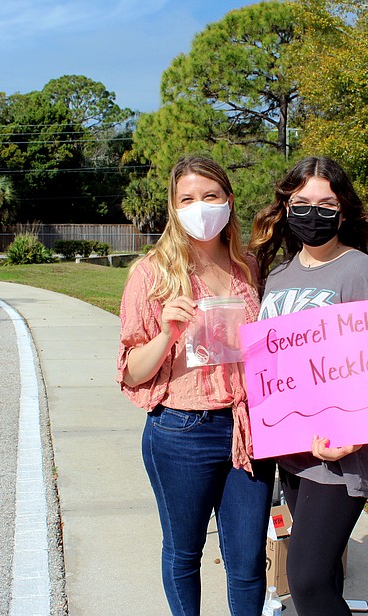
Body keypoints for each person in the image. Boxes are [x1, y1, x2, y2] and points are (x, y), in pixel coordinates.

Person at [117, 155, 275, 616]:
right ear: (173, 205)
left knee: (247, 563)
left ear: (228, 201)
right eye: (188, 198)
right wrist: (166, 332)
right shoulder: (151, 273)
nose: (200, 207)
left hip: (249, 429)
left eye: (210, 196)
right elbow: (131, 371)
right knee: (184, 552)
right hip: (182, 432)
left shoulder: (249, 267)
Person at [249, 156, 368, 616]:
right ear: (285, 207)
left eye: (326, 204)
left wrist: (354, 435)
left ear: (344, 211)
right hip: (292, 448)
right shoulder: (278, 276)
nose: (313, 213)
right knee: (326, 571)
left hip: (341, 454)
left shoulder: (362, 273)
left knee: (307, 580)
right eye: (302, 202)